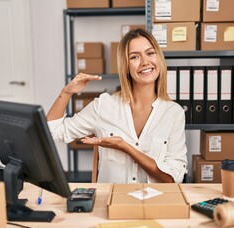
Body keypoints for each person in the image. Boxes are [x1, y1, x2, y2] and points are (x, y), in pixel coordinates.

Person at [47, 28, 187, 183]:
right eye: (134, 57)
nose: (145, 61)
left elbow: (174, 178)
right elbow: (53, 132)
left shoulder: (174, 113)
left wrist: (125, 147)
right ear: (126, 66)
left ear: (159, 58)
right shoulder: (104, 106)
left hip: (153, 203)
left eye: (150, 53)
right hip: (110, 202)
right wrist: (66, 93)